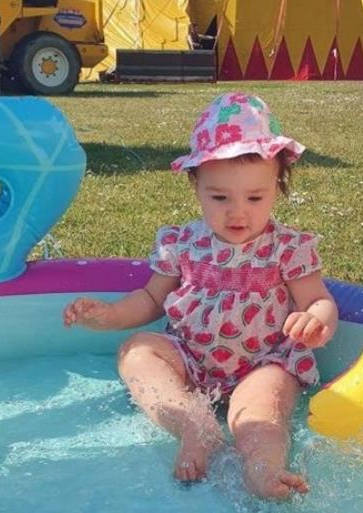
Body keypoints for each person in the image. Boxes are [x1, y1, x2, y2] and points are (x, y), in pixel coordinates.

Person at [63, 92, 339, 499]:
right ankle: (195, 426)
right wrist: (109, 315)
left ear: (277, 188)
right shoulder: (182, 243)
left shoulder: (287, 249)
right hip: (191, 359)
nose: (237, 212)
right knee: (137, 352)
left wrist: (318, 320)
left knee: (261, 413)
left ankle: (264, 470)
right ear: (196, 186)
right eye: (220, 197)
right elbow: (151, 299)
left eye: (255, 197)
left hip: (263, 363)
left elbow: (319, 300)